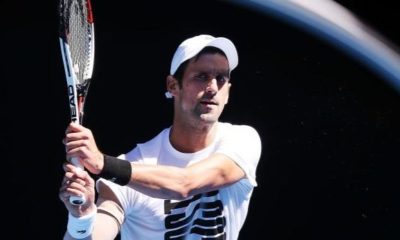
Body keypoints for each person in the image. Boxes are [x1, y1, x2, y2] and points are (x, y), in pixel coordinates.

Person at [59, 34, 262, 240]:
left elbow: (185, 184)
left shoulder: (243, 140)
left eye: (221, 78)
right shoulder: (132, 168)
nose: (212, 87)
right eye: (201, 76)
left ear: (228, 91)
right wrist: (81, 219)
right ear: (173, 85)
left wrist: (103, 163)